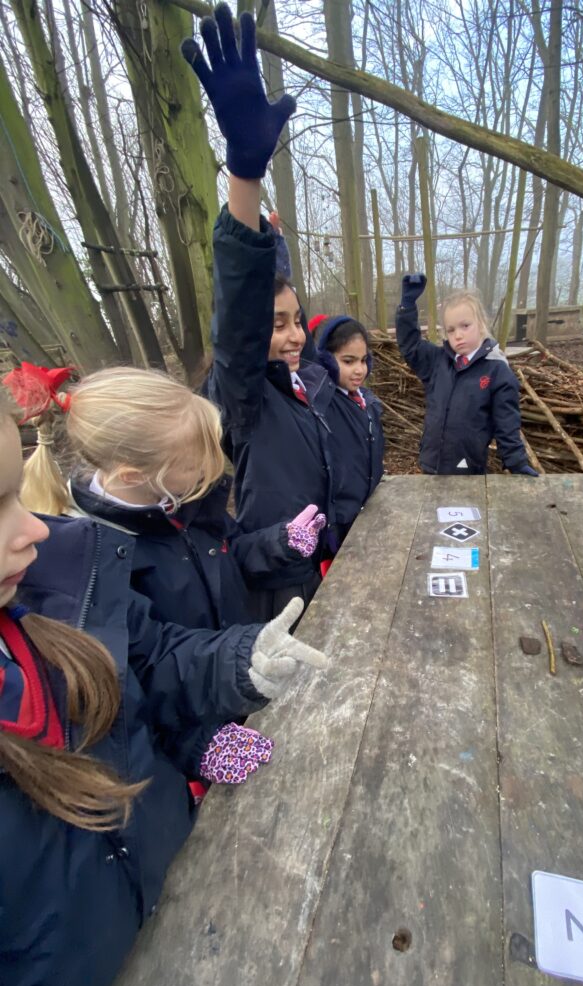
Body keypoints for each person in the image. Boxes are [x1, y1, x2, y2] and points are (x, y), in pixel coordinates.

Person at [0, 389, 329, 986]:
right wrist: (198, 748)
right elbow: (141, 713)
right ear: (135, 476)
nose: (36, 526)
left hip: (168, 870)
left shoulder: (103, 558)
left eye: (19, 494)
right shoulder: (109, 558)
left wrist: (272, 572)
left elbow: (150, 660)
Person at [7, 363, 326, 788]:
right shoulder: (99, 561)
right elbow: (137, 680)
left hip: (238, 686)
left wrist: (279, 543)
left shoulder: (180, 502)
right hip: (196, 737)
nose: (214, 468)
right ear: (135, 475)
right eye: (197, 461)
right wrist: (197, 746)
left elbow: (227, 558)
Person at [183, 4, 335, 619]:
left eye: (296, 320)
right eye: (278, 326)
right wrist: (246, 175)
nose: (294, 335)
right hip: (275, 596)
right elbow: (240, 321)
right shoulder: (241, 393)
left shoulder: (305, 385)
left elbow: (274, 291)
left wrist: (276, 247)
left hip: (324, 573)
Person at [396, 274, 537, 476]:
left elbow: (506, 422)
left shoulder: (496, 370)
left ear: (481, 324)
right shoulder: (438, 362)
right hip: (430, 466)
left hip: (468, 469)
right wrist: (407, 306)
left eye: (465, 326)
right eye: (451, 330)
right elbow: (410, 346)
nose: (458, 335)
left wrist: (516, 462)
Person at [314, 316, 385, 549]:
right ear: (326, 360)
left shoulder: (368, 402)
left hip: (368, 509)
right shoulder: (323, 404)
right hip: (341, 520)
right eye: (348, 361)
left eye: (364, 360)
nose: (359, 370)